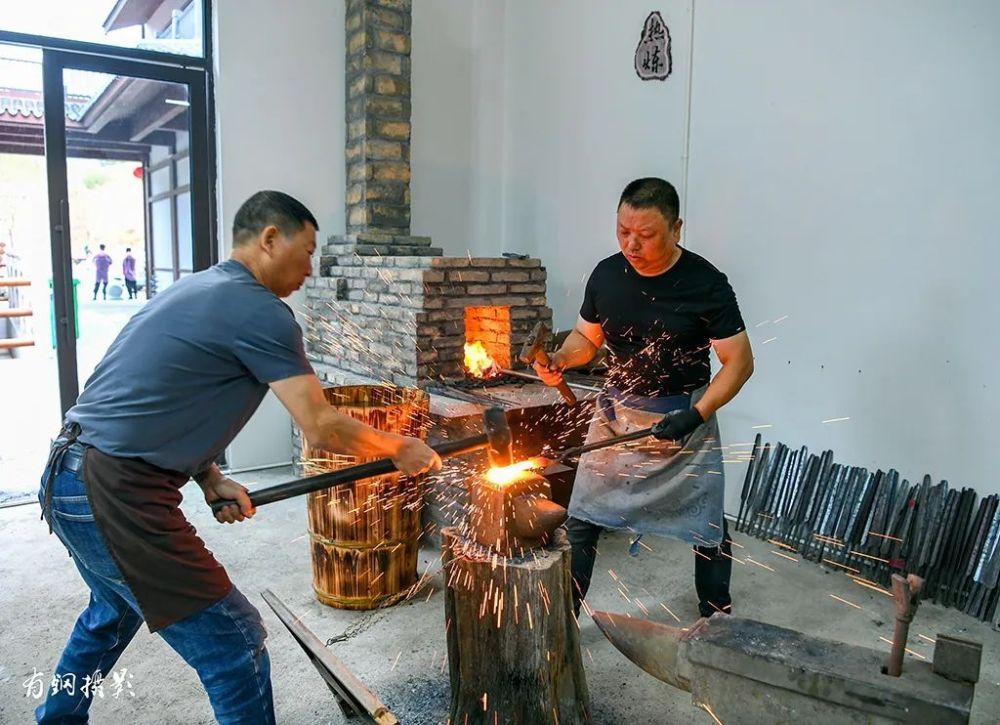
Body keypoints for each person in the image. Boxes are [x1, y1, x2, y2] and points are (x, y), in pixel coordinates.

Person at [36, 190, 442, 724]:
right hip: (113, 492)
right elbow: (321, 427)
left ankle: (59, 715)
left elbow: (143, 395)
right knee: (234, 640)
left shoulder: (195, 290)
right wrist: (401, 447)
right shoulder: (261, 312)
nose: (311, 267)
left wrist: (208, 476)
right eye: (308, 249)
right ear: (271, 238)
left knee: (111, 611)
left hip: (67, 473)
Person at [534, 178, 754, 619]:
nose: (631, 245)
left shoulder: (706, 284)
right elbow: (586, 338)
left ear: (677, 228)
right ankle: (562, 619)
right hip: (616, 416)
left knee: (706, 525)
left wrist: (696, 414)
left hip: (684, 422)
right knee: (582, 519)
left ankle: (717, 619)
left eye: (646, 235)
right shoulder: (605, 275)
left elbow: (739, 362)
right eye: (622, 231)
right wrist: (561, 357)